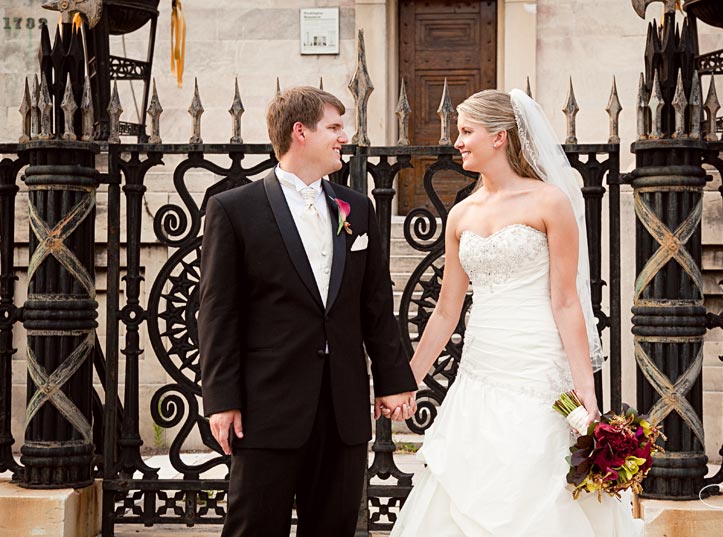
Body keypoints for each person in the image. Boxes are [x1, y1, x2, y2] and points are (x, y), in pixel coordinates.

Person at [389, 89, 644, 536]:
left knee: (535, 472)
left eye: (467, 131)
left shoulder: (549, 202)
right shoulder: (461, 214)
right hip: (482, 363)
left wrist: (586, 390)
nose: (458, 141)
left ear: (500, 137)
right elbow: (446, 310)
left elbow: (566, 301)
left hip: (539, 363)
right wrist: (406, 378)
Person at [199, 86, 418, 537]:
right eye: (334, 127)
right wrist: (222, 400)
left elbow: (375, 301)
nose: (345, 136)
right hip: (266, 406)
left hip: (343, 407)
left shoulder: (356, 207)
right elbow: (218, 312)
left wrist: (394, 380)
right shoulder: (233, 209)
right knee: (254, 527)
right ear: (300, 132)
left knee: (334, 528)